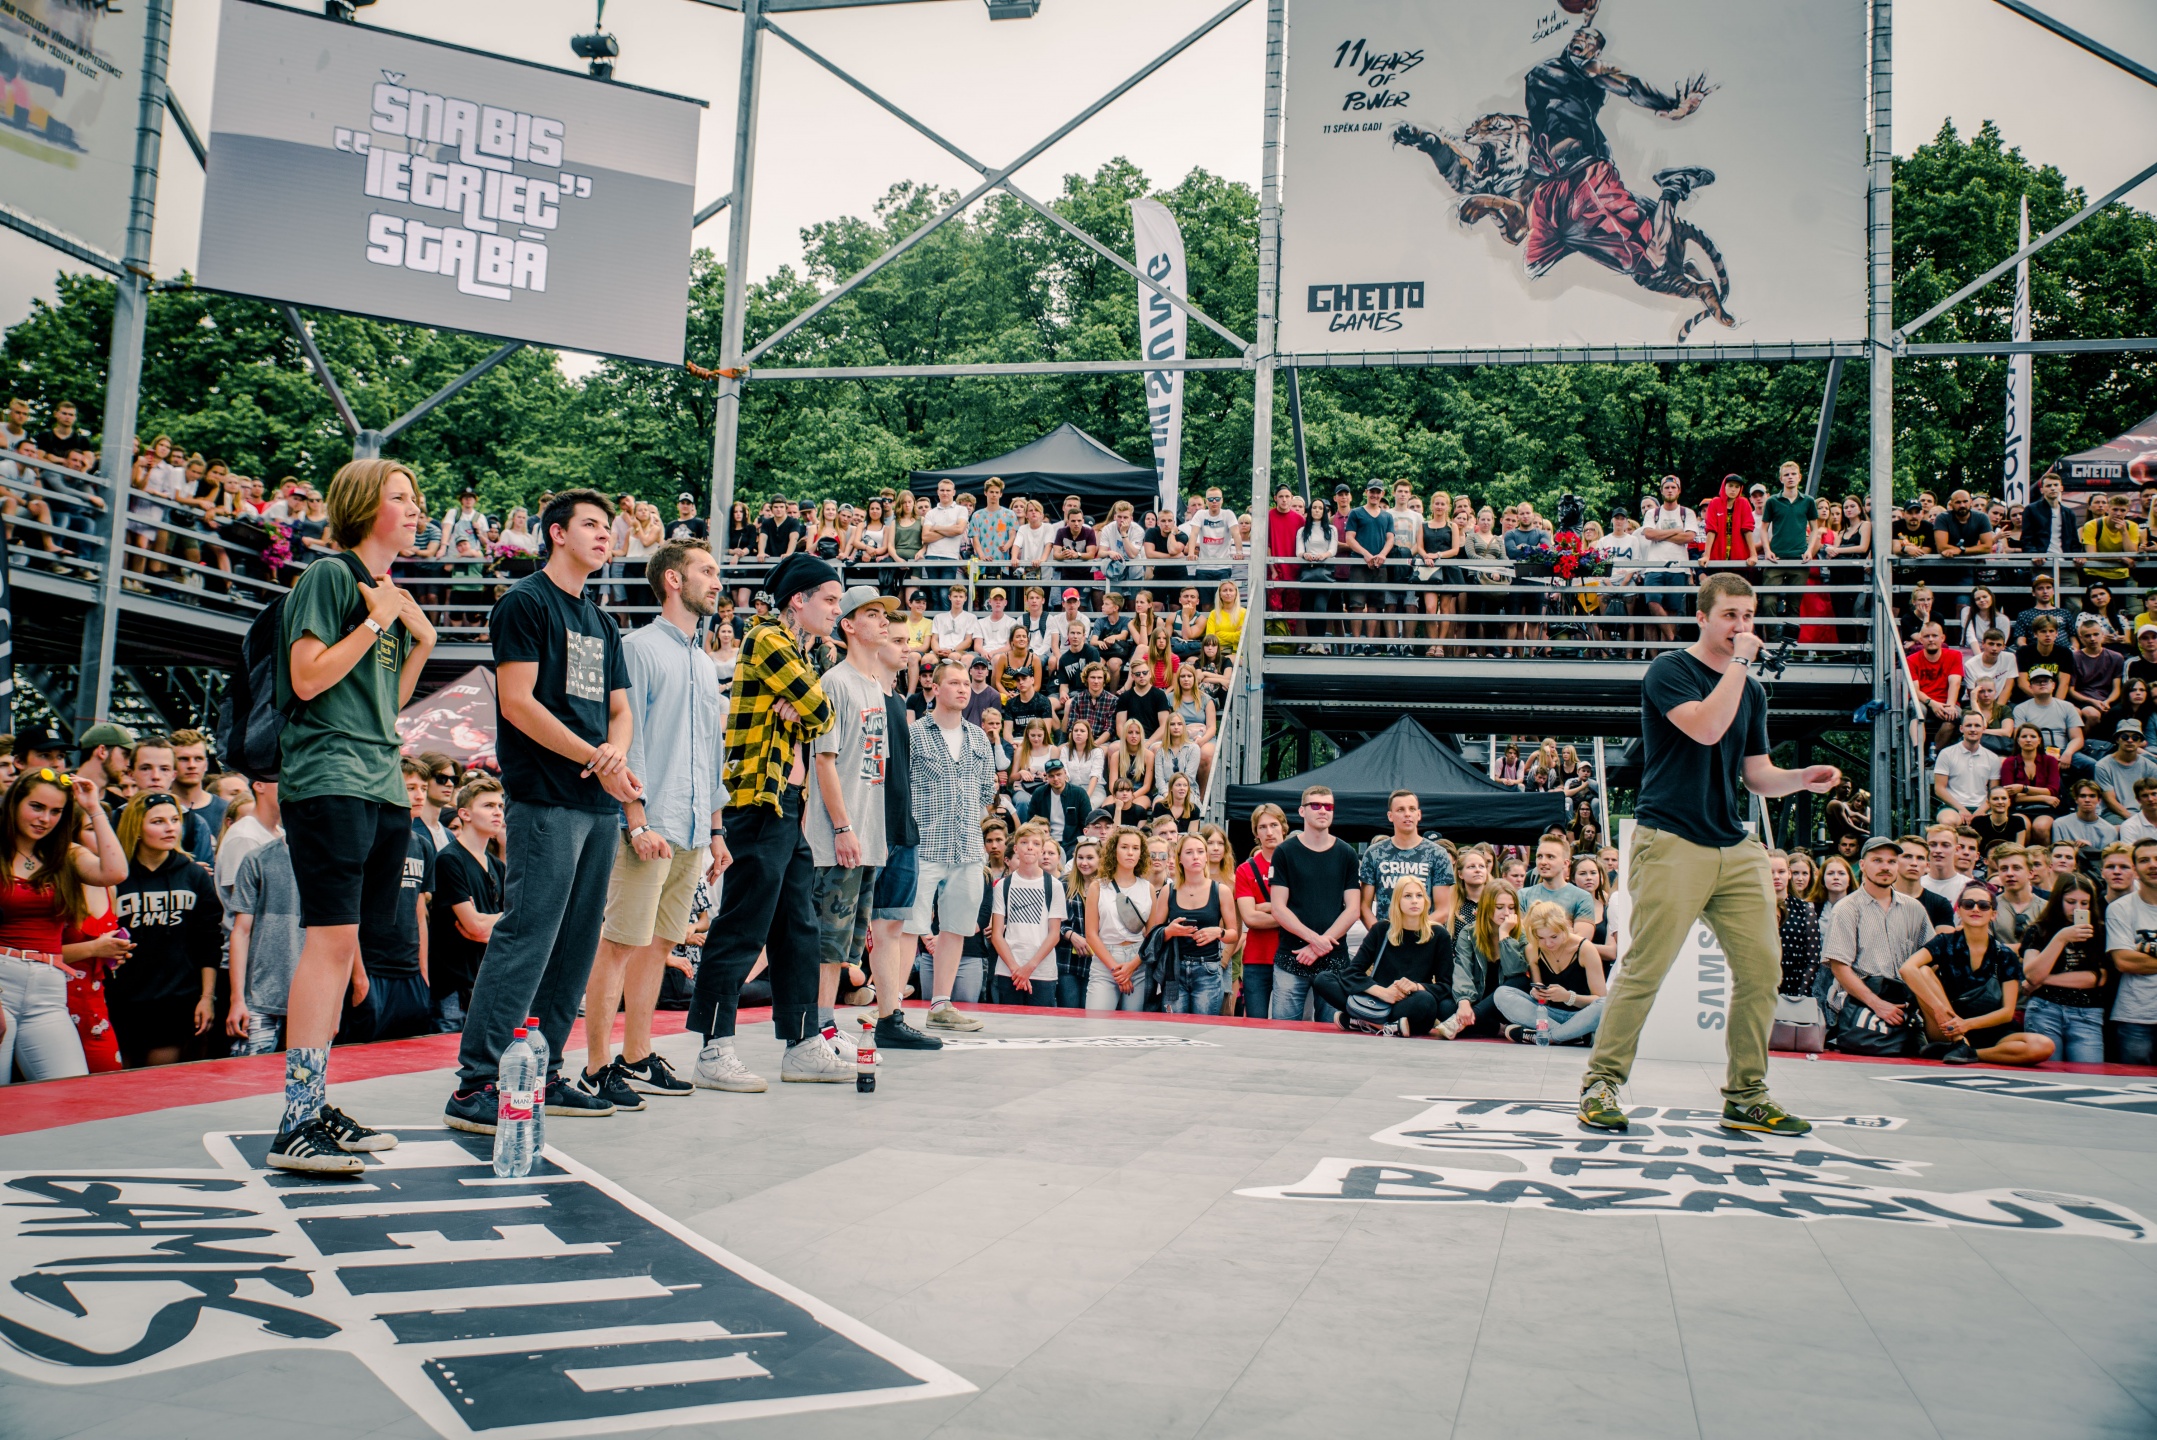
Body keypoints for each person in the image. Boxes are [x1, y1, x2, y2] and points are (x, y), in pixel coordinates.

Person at [1578, 573, 1838, 1136]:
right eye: (1730, 616)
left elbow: (1756, 774)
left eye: (1749, 616)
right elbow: (1705, 728)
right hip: (1671, 838)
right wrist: (1741, 663)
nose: (1742, 627)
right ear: (1702, 618)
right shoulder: (1670, 670)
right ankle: (1602, 1082)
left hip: (1734, 843)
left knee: (1762, 970)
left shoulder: (1753, 691)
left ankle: (1746, 1095)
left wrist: (1800, 778)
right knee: (1646, 968)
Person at [444, 490, 637, 1132]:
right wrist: (596, 757)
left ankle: (545, 1071)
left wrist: (613, 756)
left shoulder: (603, 621)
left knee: (577, 944)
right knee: (527, 935)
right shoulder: (524, 603)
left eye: (608, 527)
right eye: (591, 524)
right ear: (556, 532)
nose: (604, 535)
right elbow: (518, 703)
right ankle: (476, 1082)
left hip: (597, 801)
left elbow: (620, 710)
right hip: (546, 796)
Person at [270, 458, 435, 1174]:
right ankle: (297, 1119)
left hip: (381, 778)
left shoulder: (387, 593)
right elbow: (308, 678)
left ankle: (316, 1104)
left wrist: (421, 642)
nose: (415, 508)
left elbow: (383, 703)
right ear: (366, 505)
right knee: (330, 942)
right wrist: (376, 620)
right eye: (401, 497)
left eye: (416, 498)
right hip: (330, 775)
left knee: (345, 947)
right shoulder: (331, 577)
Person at [685, 553, 852, 1090]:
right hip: (757, 801)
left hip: (785, 803)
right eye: (829, 599)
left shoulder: (801, 651)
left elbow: (817, 712)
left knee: (797, 927)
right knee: (743, 924)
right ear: (798, 600)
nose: (836, 609)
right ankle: (713, 1048)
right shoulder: (765, 638)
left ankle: (802, 1042)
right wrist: (806, 705)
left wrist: (805, 704)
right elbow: (823, 711)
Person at [581, 541, 727, 1109]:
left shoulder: (704, 661)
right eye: (706, 571)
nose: (717, 582)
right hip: (647, 824)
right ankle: (596, 1067)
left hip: (690, 827)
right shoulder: (637, 648)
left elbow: (710, 750)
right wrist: (636, 819)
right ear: (672, 579)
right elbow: (625, 738)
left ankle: (637, 1055)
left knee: (661, 939)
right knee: (620, 942)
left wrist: (716, 830)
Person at [804, 586, 899, 1055]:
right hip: (837, 837)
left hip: (867, 835)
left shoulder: (874, 686)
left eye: (885, 615)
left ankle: (826, 1025)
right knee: (827, 942)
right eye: (873, 614)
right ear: (848, 624)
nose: (884, 622)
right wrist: (842, 828)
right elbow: (823, 761)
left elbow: (873, 767)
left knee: (846, 948)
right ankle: (817, 1029)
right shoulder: (835, 682)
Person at [0, 771, 126, 1083]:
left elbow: (115, 872)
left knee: (69, 1092)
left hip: (48, 989)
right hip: (3, 978)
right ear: (14, 803)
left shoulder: (65, 854)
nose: (45, 819)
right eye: (36, 807)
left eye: (56, 811)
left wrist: (94, 808)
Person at [905, 659, 1000, 1029]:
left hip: (968, 848)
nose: (963, 689)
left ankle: (940, 1005)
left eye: (965, 683)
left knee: (956, 927)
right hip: (924, 845)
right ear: (935, 687)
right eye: (954, 683)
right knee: (906, 927)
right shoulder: (915, 733)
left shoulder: (978, 737)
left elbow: (988, 788)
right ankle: (891, 1006)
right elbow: (900, 787)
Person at [109, 792, 223, 1067]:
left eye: (174, 820)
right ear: (136, 828)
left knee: (157, 1078)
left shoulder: (194, 875)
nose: (170, 828)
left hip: (176, 1000)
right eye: (158, 821)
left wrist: (207, 998)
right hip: (123, 1000)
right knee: (119, 1081)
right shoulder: (116, 876)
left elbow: (209, 942)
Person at [1899, 883, 2055, 1065]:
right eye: (1968, 904)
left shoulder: (2005, 955)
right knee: (1923, 971)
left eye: (1983, 905)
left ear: (1993, 914)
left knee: (2043, 1046)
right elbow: (1907, 968)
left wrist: (1967, 1024)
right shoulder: (1944, 942)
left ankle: (1972, 1053)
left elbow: (2007, 1013)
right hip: (1948, 1026)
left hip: (1991, 1029)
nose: (1975, 909)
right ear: (1959, 911)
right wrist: (1939, 1009)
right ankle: (1959, 1043)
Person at [1319, 875, 1468, 1037]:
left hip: (1408, 1003)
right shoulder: (1381, 930)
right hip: (1375, 998)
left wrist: (1416, 986)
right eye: (1408, 896)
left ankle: (1364, 1021)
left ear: (1426, 901)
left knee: (1427, 1001)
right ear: (1397, 901)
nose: (1414, 901)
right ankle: (1384, 1025)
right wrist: (1383, 993)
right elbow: (1352, 973)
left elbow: (1446, 985)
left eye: (1419, 896)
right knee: (1324, 979)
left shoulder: (1439, 934)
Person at [1267, 786, 1362, 1022]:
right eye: (1316, 805)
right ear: (1302, 811)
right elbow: (1278, 907)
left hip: (1334, 960)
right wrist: (1314, 940)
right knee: (1282, 1033)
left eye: (1328, 806)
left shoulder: (1347, 853)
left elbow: (1353, 909)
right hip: (1292, 957)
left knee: (1333, 1033)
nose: (1323, 810)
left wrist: (1319, 945)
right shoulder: (1284, 852)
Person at [429, 776, 506, 1032]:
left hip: (487, 983)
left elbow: (518, 924)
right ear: (464, 814)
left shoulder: (497, 866)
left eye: (500, 806)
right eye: (488, 805)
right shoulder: (450, 860)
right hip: (453, 988)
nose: (497, 812)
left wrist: (489, 922)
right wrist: (499, 921)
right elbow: (475, 926)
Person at [2017, 869, 2108, 1064]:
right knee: (2048, 1074)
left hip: (2086, 1012)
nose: (2077, 908)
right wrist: (2061, 938)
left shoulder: (2099, 930)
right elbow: (2032, 974)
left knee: (2090, 1075)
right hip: (2045, 1009)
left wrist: (2044, 980)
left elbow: (2097, 978)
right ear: (2058, 900)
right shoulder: (2039, 930)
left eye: (2084, 903)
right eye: (2071, 902)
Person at [1150, 831, 1239, 1015]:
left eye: (1200, 851)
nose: (1195, 857)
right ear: (1180, 859)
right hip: (1175, 969)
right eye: (1189, 852)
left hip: (1208, 969)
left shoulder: (1220, 891)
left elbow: (1233, 934)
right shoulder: (1169, 891)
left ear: (1206, 857)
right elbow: (1155, 935)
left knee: (1203, 1027)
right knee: (1174, 1026)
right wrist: (1170, 931)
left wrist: (1218, 932)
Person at [1498, 898, 1608, 1044]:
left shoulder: (1585, 948)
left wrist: (1568, 997)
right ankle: (1571, 1036)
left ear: (1565, 928)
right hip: (1551, 1016)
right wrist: (1537, 993)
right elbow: (1542, 1000)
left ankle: (1549, 1036)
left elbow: (1600, 1000)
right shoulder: (1533, 949)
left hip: (1582, 1016)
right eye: (1541, 938)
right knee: (1502, 994)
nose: (1548, 943)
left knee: (1603, 1005)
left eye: (1554, 937)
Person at [989, 820, 1065, 1008]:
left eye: (1036, 843)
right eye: (1024, 842)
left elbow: (1054, 934)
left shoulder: (1054, 886)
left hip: (1042, 971)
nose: (1030, 847)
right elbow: (997, 935)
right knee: (1008, 1022)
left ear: (1041, 850)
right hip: (1008, 970)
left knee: (1040, 1023)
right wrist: (1016, 969)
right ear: (1015, 848)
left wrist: (1028, 968)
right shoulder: (1003, 885)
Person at [1357, 790, 1455, 931]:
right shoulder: (1374, 853)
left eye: (1412, 809)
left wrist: (1413, 933)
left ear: (1419, 814)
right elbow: (1364, 907)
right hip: (1385, 937)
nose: (1407, 814)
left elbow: (1443, 910)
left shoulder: (1437, 854)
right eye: (1400, 809)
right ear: (1390, 816)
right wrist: (1380, 935)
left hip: (1424, 937)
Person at [1082, 826, 1154, 1011]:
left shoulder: (1148, 888)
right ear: (1114, 850)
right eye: (1124, 847)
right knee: (1096, 1022)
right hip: (1105, 961)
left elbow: (1152, 936)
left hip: (1138, 963)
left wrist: (1131, 967)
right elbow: (1091, 935)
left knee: (1132, 1024)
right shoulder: (1097, 887)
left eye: (1135, 848)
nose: (1130, 852)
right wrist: (1117, 970)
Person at [1234, 803, 1288, 1020]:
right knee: (1255, 1023)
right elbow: (1250, 917)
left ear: (1283, 827)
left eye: (1274, 825)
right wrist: (1287, 914)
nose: (1269, 832)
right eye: (1262, 827)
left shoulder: (1297, 864)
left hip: (1291, 957)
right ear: (1256, 832)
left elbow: (1305, 911)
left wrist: (1264, 907)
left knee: (1290, 1024)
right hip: (1257, 958)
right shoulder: (1245, 869)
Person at [2106, 835, 2157, 1065]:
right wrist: (2133, 957)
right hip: (2136, 1016)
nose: (2152, 865)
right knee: (2133, 1082)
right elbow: (2124, 961)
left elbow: (2134, 958)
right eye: (2144, 860)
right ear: (2135, 870)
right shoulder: (2119, 908)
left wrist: (2143, 952)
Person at [2053, 780, 2119, 851]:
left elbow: (2107, 856)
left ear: (2099, 800)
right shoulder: (2060, 824)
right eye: (2083, 796)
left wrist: (2090, 848)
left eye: (2092, 796)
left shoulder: (2109, 830)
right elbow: (2057, 853)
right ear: (2076, 799)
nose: (2087, 800)